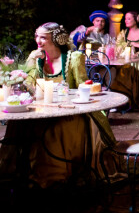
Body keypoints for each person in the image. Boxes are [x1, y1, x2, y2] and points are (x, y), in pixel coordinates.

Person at [0, 22, 119, 187]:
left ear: (56, 39)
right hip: (43, 110)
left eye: (43, 37)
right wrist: (31, 62)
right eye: (37, 36)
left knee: (54, 129)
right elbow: (29, 86)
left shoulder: (73, 58)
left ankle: (53, 176)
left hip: (71, 112)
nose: (38, 41)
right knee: (18, 124)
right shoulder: (36, 58)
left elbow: (83, 86)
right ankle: (23, 171)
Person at [112, 11, 139, 109]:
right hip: (126, 63)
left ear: (136, 20)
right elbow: (117, 46)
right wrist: (132, 45)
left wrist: (137, 54)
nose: (126, 21)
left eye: (129, 18)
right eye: (125, 19)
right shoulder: (123, 33)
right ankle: (126, 102)